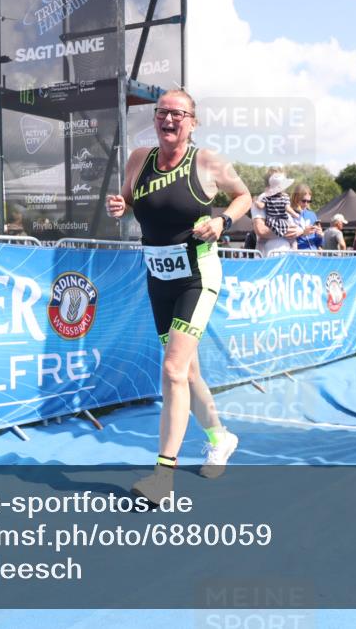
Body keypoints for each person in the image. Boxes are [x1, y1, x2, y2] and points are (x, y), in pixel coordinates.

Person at [105, 89, 251, 504]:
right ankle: (220, 436)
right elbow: (131, 200)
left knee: (171, 369)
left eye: (178, 114)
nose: (169, 120)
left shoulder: (208, 162)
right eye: (162, 113)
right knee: (186, 373)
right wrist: (121, 205)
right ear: (155, 119)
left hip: (197, 276)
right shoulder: (139, 159)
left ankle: (162, 476)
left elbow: (244, 197)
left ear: (193, 121)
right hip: (159, 277)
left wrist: (222, 221)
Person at [251, 167, 302, 256]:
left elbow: (297, 227)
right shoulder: (263, 197)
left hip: (285, 256)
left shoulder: (284, 197)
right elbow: (261, 231)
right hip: (269, 257)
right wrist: (285, 231)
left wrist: (300, 230)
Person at [255, 170, 298, 237]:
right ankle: (293, 245)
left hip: (271, 222)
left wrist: (256, 202)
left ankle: (262, 241)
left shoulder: (267, 197)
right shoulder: (285, 197)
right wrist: (295, 214)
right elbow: (288, 208)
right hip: (282, 220)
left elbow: (261, 206)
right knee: (292, 236)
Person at [292, 184, 322, 251]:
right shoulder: (290, 214)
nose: (306, 204)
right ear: (296, 198)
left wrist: (320, 236)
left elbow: (318, 243)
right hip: (298, 254)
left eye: (309, 201)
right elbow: (288, 237)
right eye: (303, 201)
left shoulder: (312, 214)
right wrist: (303, 232)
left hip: (313, 254)